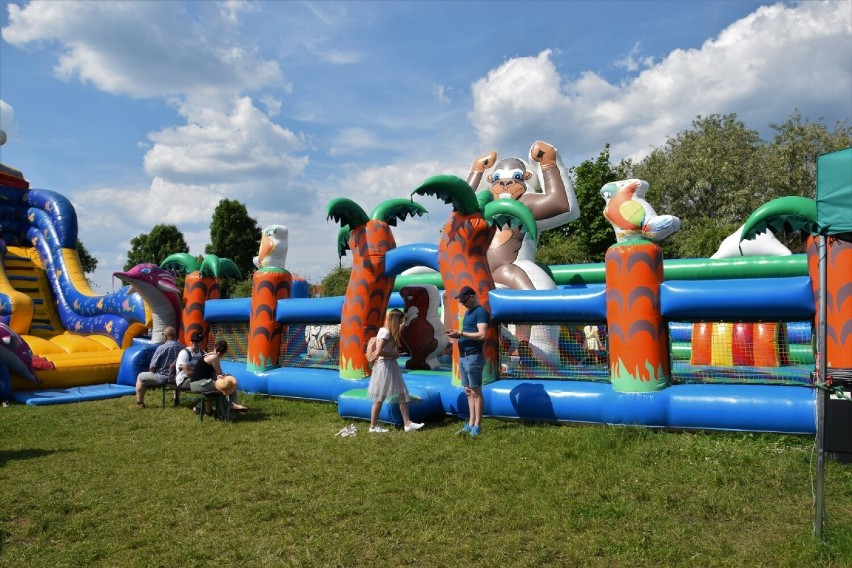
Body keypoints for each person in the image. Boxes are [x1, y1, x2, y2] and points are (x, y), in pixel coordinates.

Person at [367, 309, 424, 433]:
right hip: (386, 366)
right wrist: (394, 354)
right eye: (400, 322)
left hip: (388, 365)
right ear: (395, 320)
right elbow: (378, 352)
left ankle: (407, 423)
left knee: (401, 394)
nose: (400, 325)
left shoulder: (383, 331)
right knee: (380, 397)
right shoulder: (386, 333)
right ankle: (373, 426)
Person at [446, 286, 490, 437]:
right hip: (464, 356)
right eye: (460, 300)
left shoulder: (481, 312)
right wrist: (457, 336)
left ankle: (477, 425)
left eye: (464, 300)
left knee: (476, 391)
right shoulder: (468, 312)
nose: (462, 303)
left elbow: (482, 335)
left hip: (473, 356)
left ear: (472, 296)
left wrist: (461, 333)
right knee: (468, 391)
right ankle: (470, 423)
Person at [188, 340, 247, 415]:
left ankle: (198, 408)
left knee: (223, 387)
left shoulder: (209, 355)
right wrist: (228, 376)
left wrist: (218, 376)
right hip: (199, 383)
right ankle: (231, 405)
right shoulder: (214, 357)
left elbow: (214, 374)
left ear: (215, 347)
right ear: (222, 353)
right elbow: (220, 373)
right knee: (226, 385)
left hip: (198, 383)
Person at [133, 326, 183, 409]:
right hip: (177, 378)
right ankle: (176, 399)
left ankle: (139, 403)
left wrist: (154, 372)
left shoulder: (161, 348)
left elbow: (152, 367)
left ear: (166, 337)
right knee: (176, 372)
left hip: (162, 377)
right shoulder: (182, 347)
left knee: (140, 377)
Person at [172, 331, 206, 406]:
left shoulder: (204, 354)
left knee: (211, 384)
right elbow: (188, 373)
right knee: (208, 385)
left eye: (197, 341)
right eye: (192, 341)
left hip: (196, 378)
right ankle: (203, 407)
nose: (194, 343)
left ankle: (206, 406)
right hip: (183, 380)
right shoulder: (184, 353)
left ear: (201, 343)